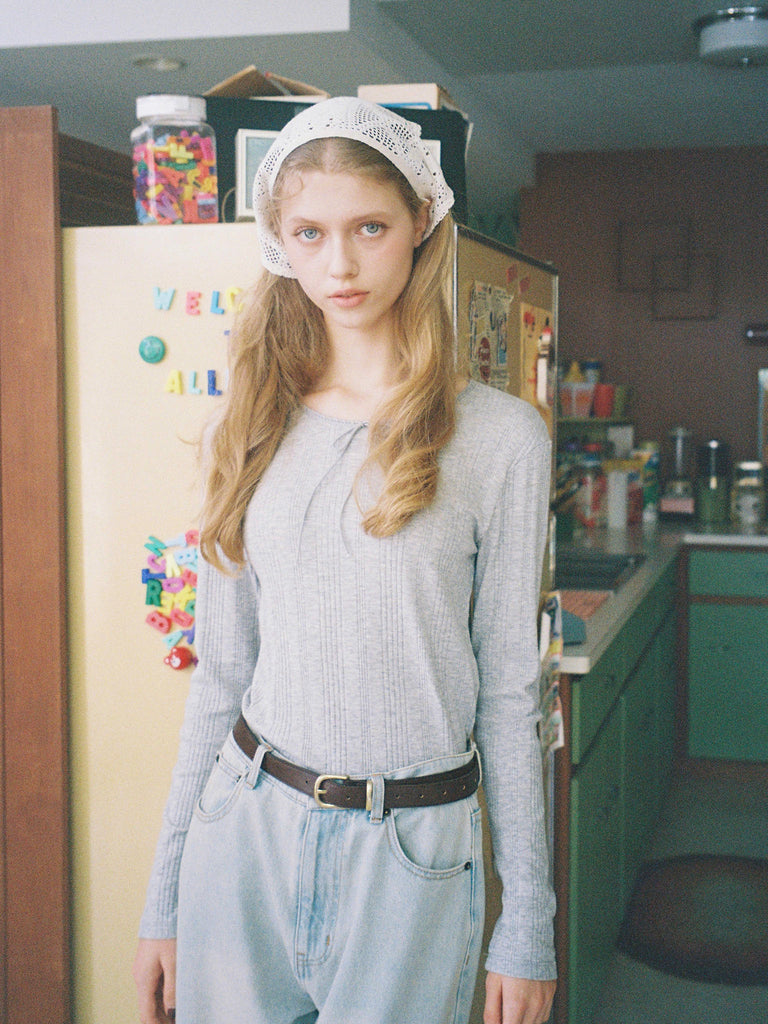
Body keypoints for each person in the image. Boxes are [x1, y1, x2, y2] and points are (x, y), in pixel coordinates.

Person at [133, 95, 556, 1024]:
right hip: (243, 826)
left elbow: (509, 694)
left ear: (421, 223)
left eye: (369, 227)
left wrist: (528, 920)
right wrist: (163, 897)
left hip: (413, 853)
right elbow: (221, 678)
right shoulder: (246, 424)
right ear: (279, 242)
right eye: (310, 233)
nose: (341, 264)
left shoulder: (501, 438)